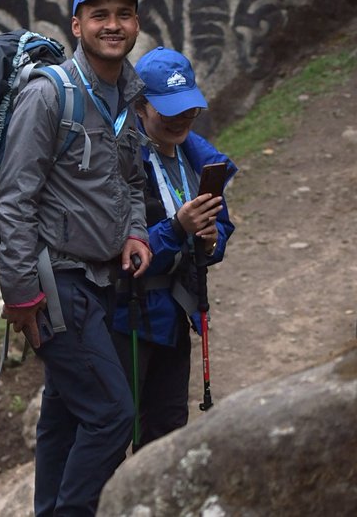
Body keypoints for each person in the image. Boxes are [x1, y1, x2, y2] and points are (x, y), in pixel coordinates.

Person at [0, 0, 153, 516]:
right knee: (111, 413)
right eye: (100, 15)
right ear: (78, 24)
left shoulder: (129, 95)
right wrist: (18, 289)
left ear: (136, 23)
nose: (114, 25)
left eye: (123, 15)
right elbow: (13, 198)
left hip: (101, 280)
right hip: (54, 283)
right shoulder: (48, 94)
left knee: (64, 417)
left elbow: (130, 180)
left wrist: (134, 230)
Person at [111, 46, 237, 446]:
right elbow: (115, 245)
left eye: (189, 109)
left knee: (167, 428)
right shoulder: (118, 156)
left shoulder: (197, 158)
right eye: (169, 110)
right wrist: (176, 229)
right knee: (115, 428)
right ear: (141, 106)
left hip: (175, 312)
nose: (181, 119)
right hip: (124, 315)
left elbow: (221, 223)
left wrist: (212, 240)